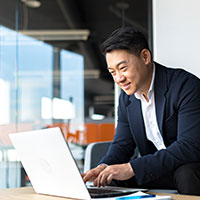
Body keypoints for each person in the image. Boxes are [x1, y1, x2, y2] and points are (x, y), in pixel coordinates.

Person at [82, 27, 200, 195]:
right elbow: (122, 145)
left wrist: (132, 168)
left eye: (123, 68)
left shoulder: (185, 86)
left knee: (186, 174)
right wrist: (104, 167)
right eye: (113, 72)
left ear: (145, 57)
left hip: (189, 166)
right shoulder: (126, 98)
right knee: (110, 177)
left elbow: (189, 146)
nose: (118, 79)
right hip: (158, 169)